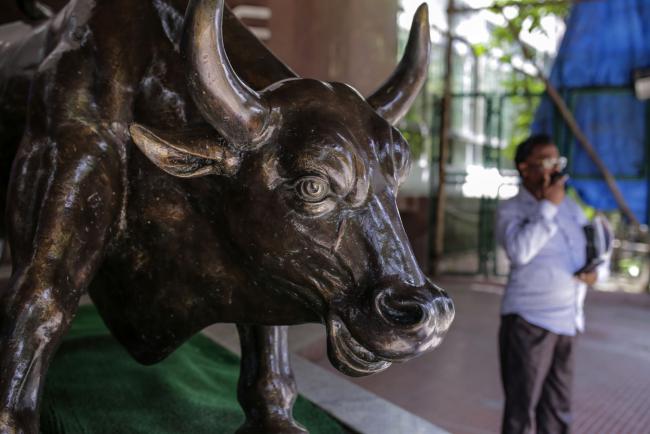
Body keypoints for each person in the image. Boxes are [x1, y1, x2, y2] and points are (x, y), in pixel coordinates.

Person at [496, 133, 608, 434]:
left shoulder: (570, 207)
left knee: (558, 409)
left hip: (568, 321)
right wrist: (547, 207)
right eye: (545, 161)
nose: (554, 168)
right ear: (524, 168)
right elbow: (520, 252)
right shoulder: (512, 210)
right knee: (521, 410)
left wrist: (598, 273)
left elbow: (594, 249)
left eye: (557, 160)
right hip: (529, 320)